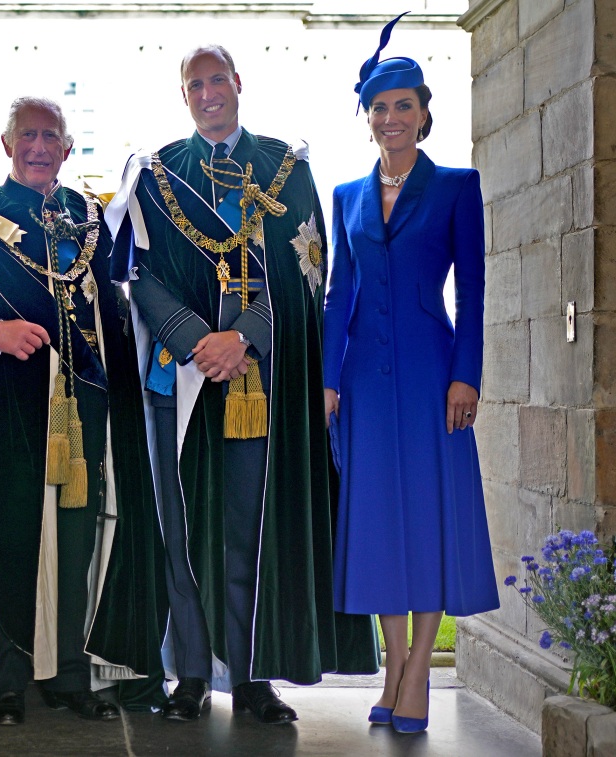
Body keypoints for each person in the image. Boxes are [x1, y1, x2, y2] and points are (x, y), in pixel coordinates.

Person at [105, 45, 379, 724]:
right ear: (185, 95)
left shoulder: (288, 169)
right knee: (185, 528)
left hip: (260, 384)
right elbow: (139, 276)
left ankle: (253, 676)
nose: (207, 93)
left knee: (250, 528)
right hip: (180, 378)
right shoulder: (157, 172)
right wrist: (196, 341)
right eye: (194, 84)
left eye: (216, 81)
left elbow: (307, 273)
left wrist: (243, 337)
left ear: (237, 85)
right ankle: (191, 674)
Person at [0, 96, 166, 727]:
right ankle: (10, 677)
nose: (40, 147)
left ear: (68, 149)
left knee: (78, 544)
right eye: (29, 135)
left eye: (52, 137)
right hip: (10, 409)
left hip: (87, 406)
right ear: (6, 144)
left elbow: (115, 302)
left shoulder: (88, 217)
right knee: (15, 538)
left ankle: (70, 676)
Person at [322, 14, 500, 735]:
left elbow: (476, 290)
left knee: (426, 519)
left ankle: (420, 666)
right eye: (379, 107)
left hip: (433, 376)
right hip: (363, 377)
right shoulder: (346, 196)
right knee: (376, 522)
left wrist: (469, 374)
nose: (391, 118)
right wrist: (329, 378)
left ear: (424, 113)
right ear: (367, 119)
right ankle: (394, 661)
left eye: (403, 105)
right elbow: (340, 291)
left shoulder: (458, 187)